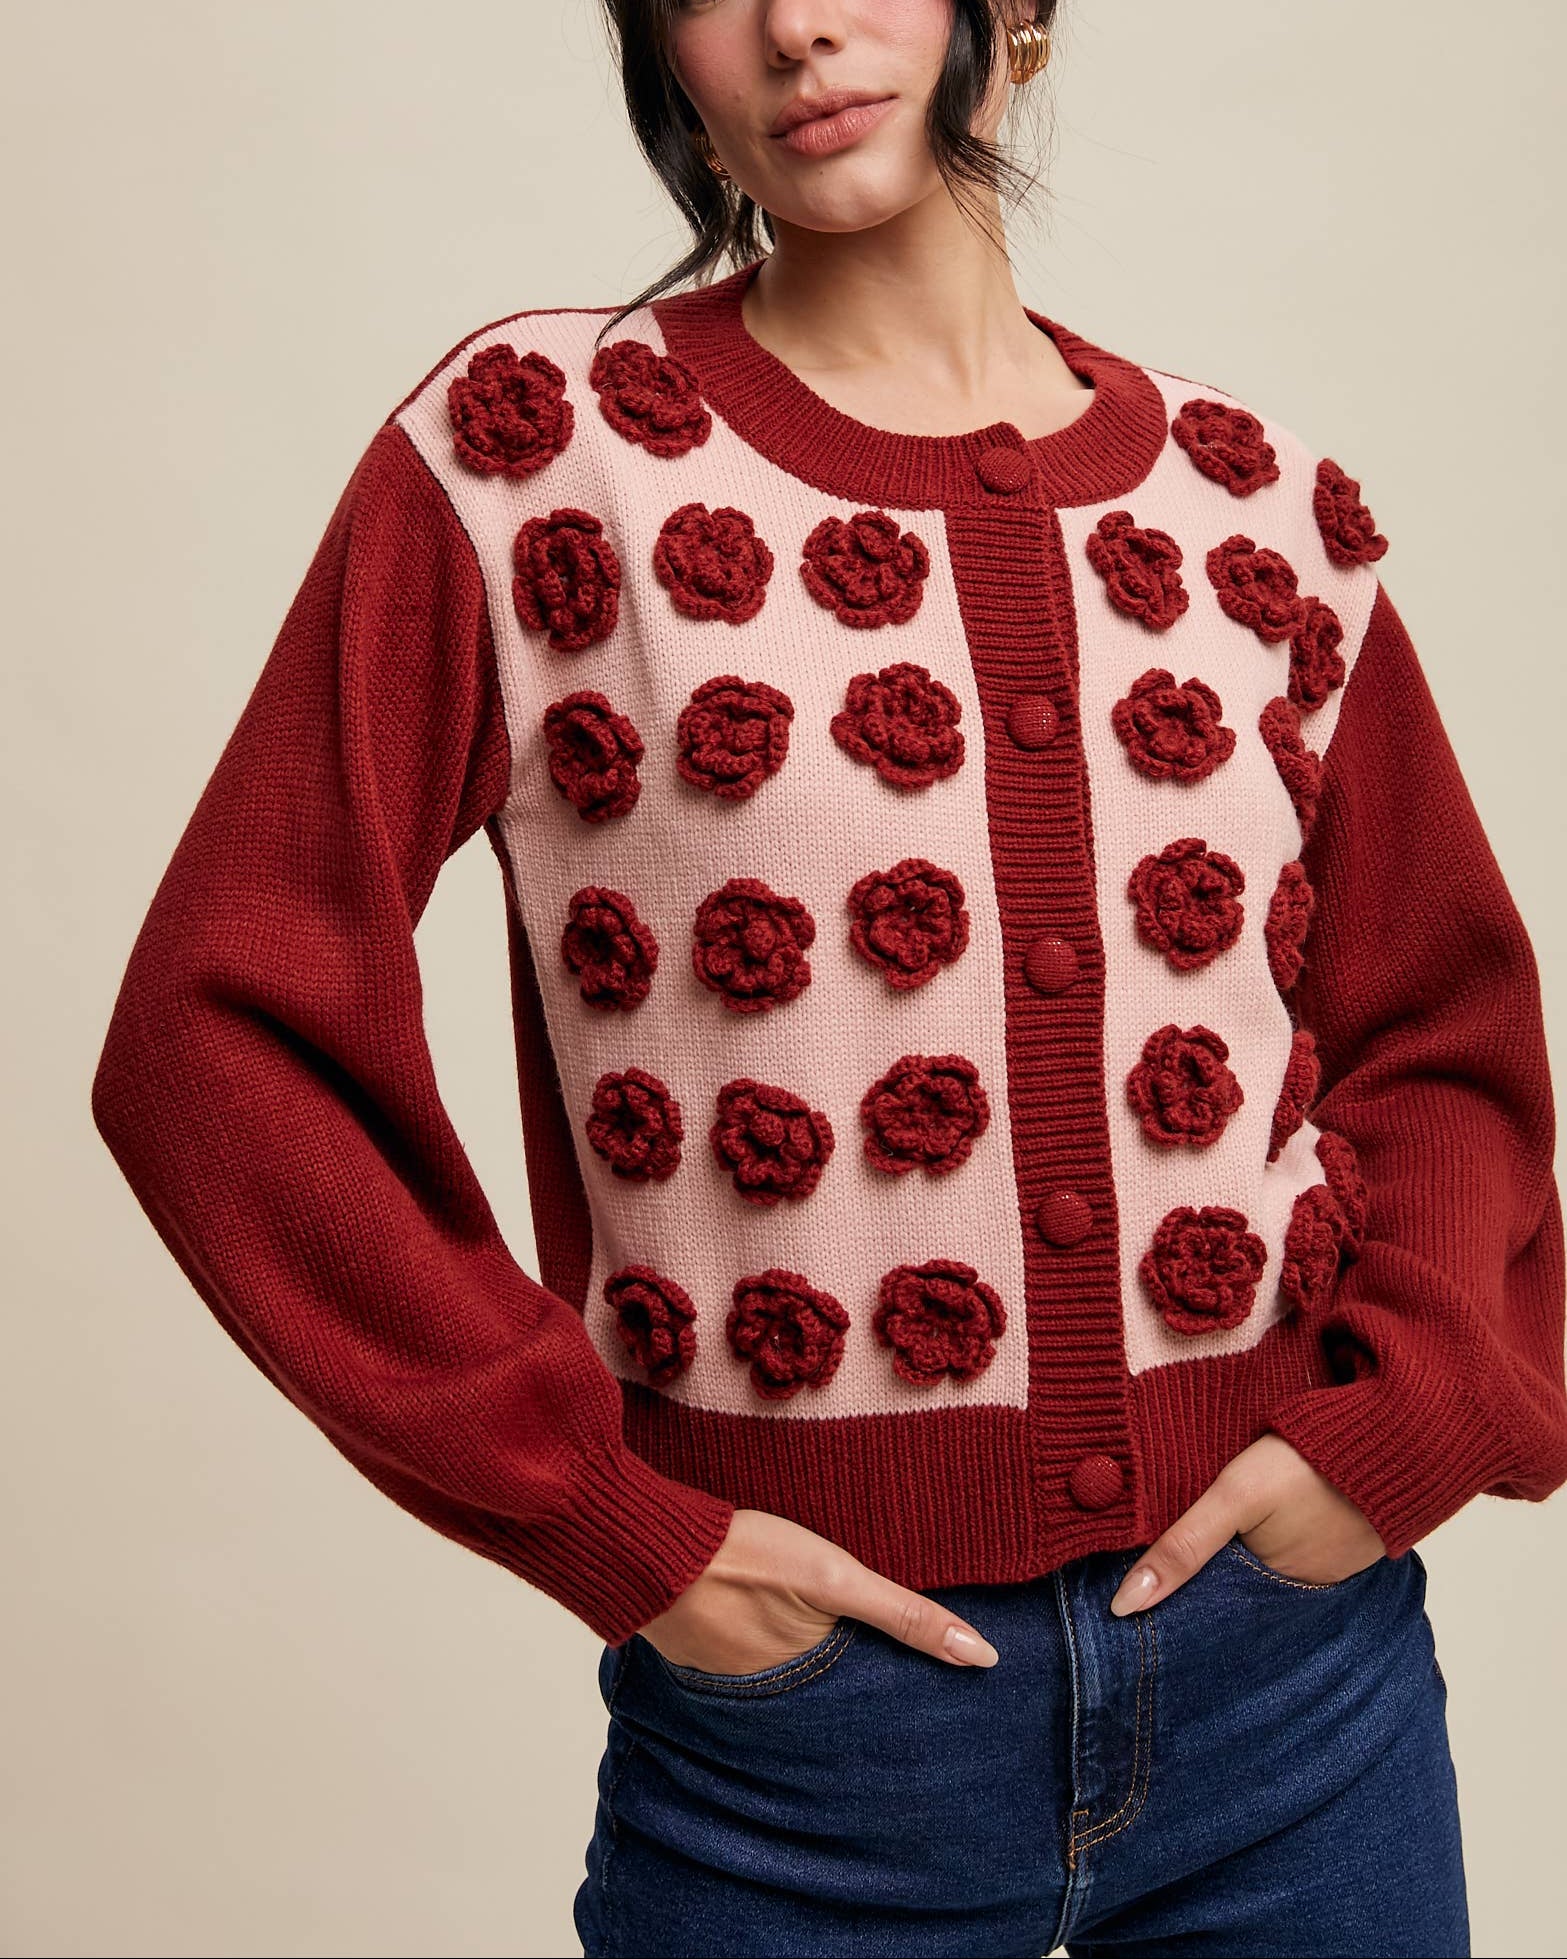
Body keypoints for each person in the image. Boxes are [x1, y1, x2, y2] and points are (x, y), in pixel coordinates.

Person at [90, 2, 1566, 1954]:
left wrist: (1411, 1419)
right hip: (810, 1750)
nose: (795, 21)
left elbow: (1439, 1028)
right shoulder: (544, 457)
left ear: (1011, 15)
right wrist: (607, 1519)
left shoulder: (1257, 509)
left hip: (1300, 1692)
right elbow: (217, 1024)